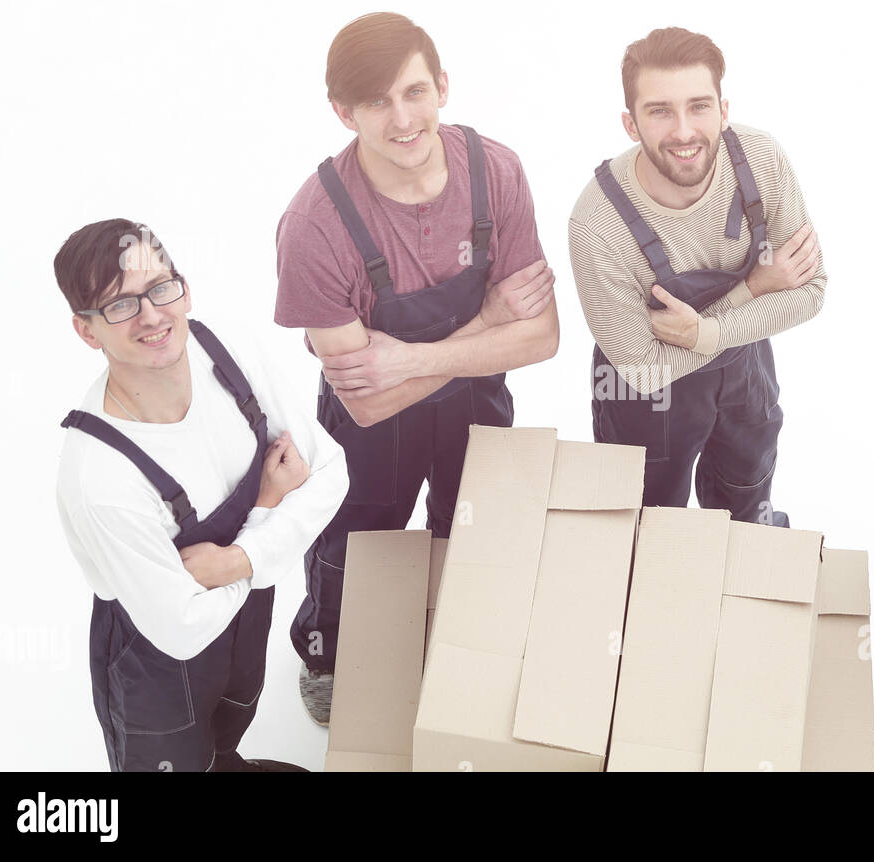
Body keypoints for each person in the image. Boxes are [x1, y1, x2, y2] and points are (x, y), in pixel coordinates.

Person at [274, 13, 558, 724]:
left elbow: (544, 335)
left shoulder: (495, 172)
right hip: (372, 433)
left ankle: (448, 637)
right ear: (343, 112)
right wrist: (492, 323)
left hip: (478, 405)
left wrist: (416, 358)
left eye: (414, 92)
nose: (402, 120)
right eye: (376, 103)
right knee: (353, 543)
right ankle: (328, 655)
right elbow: (369, 403)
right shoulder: (315, 226)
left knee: (470, 529)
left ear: (442, 88)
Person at [55, 219, 348, 772]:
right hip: (154, 663)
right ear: (87, 331)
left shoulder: (225, 350)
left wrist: (237, 558)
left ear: (182, 288)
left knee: (232, 718)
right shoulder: (100, 479)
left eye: (160, 288)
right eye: (120, 306)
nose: (152, 316)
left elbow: (331, 472)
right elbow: (181, 629)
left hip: (240, 611)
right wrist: (268, 517)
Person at [569, 27, 824, 529]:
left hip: (745, 375)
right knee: (646, 529)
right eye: (660, 110)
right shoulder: (598, 223)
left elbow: (811, 291)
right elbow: (643, 371)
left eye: (699, 106)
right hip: (646, 403)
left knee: (746, 514)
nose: (684, 131)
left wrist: (705, 330)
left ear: (723, 110)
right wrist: (752, 290)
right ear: (630, 122)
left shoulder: (760, 160)